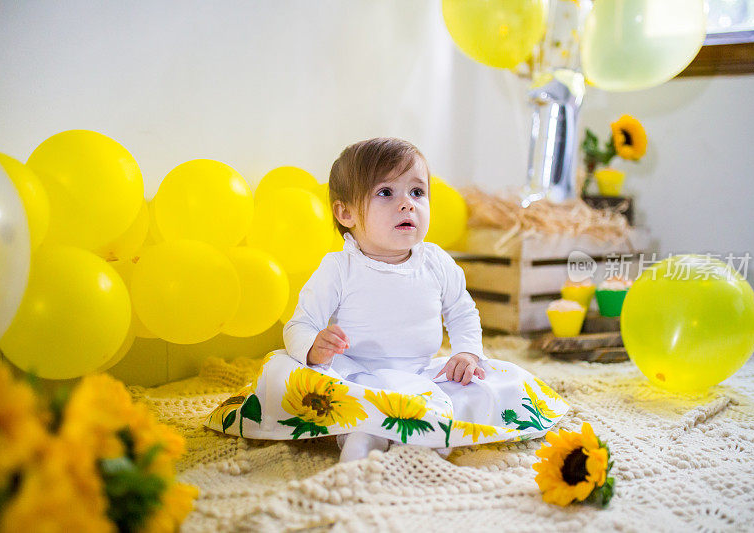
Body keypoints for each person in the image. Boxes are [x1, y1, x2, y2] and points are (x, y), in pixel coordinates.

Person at [205, 138, 570, 463]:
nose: (406, 205)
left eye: (416, 192)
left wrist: (467, 353)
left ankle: (422, 434)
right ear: (345, 213)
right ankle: (362, 436)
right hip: (353, 373)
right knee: (286, 374)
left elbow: (462, 312)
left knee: (494, 382)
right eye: (385, 193)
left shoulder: (436, 262)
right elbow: (300, 324)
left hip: (420, 373)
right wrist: (314, 348)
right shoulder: (340, 267)